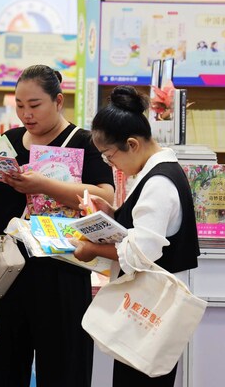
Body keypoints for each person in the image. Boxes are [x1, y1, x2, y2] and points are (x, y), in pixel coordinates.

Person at [0, 64, 114, 387]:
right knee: (7, 366)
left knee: (64, 366)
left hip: (62, 272)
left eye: (35, 105)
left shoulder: (83, 142)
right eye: (20, 105)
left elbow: (104, 197)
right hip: (6, 273)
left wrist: (43, 185)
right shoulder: (6, 142)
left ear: (58, 102)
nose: (26, 114)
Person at [69, 85, 199, 387]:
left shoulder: (159, 183)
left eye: (108, 155)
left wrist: (91, 248)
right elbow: (148, 230)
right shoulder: (157, 172)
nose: (110, 164)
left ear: (132, 144)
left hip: (150, 310)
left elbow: (141, 253)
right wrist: (113, 214)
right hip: (148, 308)